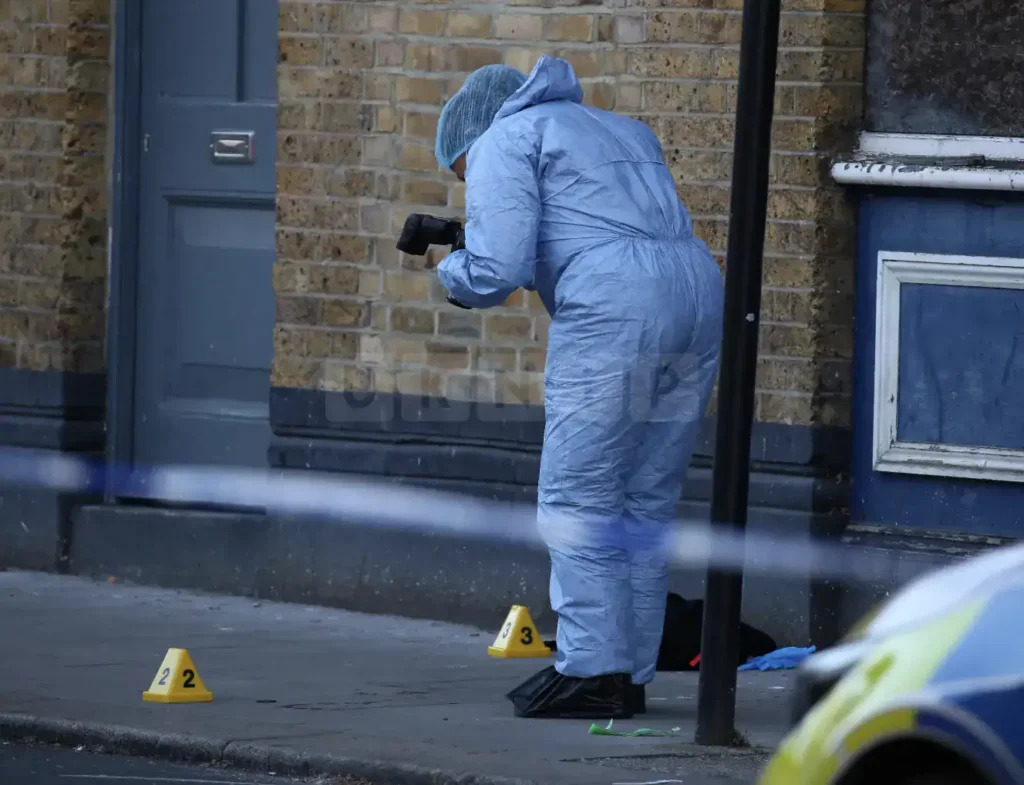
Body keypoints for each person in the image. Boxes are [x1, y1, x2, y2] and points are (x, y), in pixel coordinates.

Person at [432, 56, 724, 719]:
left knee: (578, 491)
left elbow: (496, 269)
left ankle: (593, 668)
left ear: (470, 139)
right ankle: (630, 671)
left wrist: (450, 269)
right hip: (696, 292)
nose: (469, 185)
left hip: (617, 307)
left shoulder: (504, 139)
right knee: (645, 495)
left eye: (464, 176)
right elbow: (589, 229)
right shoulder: (616, 128)